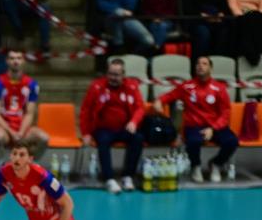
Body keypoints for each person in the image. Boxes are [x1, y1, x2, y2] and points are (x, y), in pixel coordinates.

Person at [154, 55, 236, 183]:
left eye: (204, 64)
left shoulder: (219, 88)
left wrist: (213, 128)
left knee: (232, 141)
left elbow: (226, 112)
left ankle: (216, 164)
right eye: (198, 64)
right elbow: (170, 95)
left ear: (211, 68)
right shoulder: (187, 86)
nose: (200, 66)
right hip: (194, 126)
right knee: (193, 141)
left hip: (214, 126)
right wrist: (159, 101)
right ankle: (195, 166)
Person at [80, 58, 145, 195]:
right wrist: (85, 133)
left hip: (124, 128)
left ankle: (128, 176)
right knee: (103, 141)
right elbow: (85, 110)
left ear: (123, 75)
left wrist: (134, 122)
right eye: (110, 74)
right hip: (103, 128)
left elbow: (140, 108)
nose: (112, 78)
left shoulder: (132, 86)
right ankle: (109, 179)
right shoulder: (96, 86)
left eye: (116, 75)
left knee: (138, 138)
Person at [0, 48, 39, 154]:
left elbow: (30, 114)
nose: (16, 61)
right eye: (12, 58)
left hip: (22, 127)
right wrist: (11, 132)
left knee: (43, 138)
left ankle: (29, 162)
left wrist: (21, 132)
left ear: (23, 61)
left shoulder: (32, 84)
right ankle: (0, 163)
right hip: (4, 127)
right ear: (7, 61)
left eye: (19, 58)